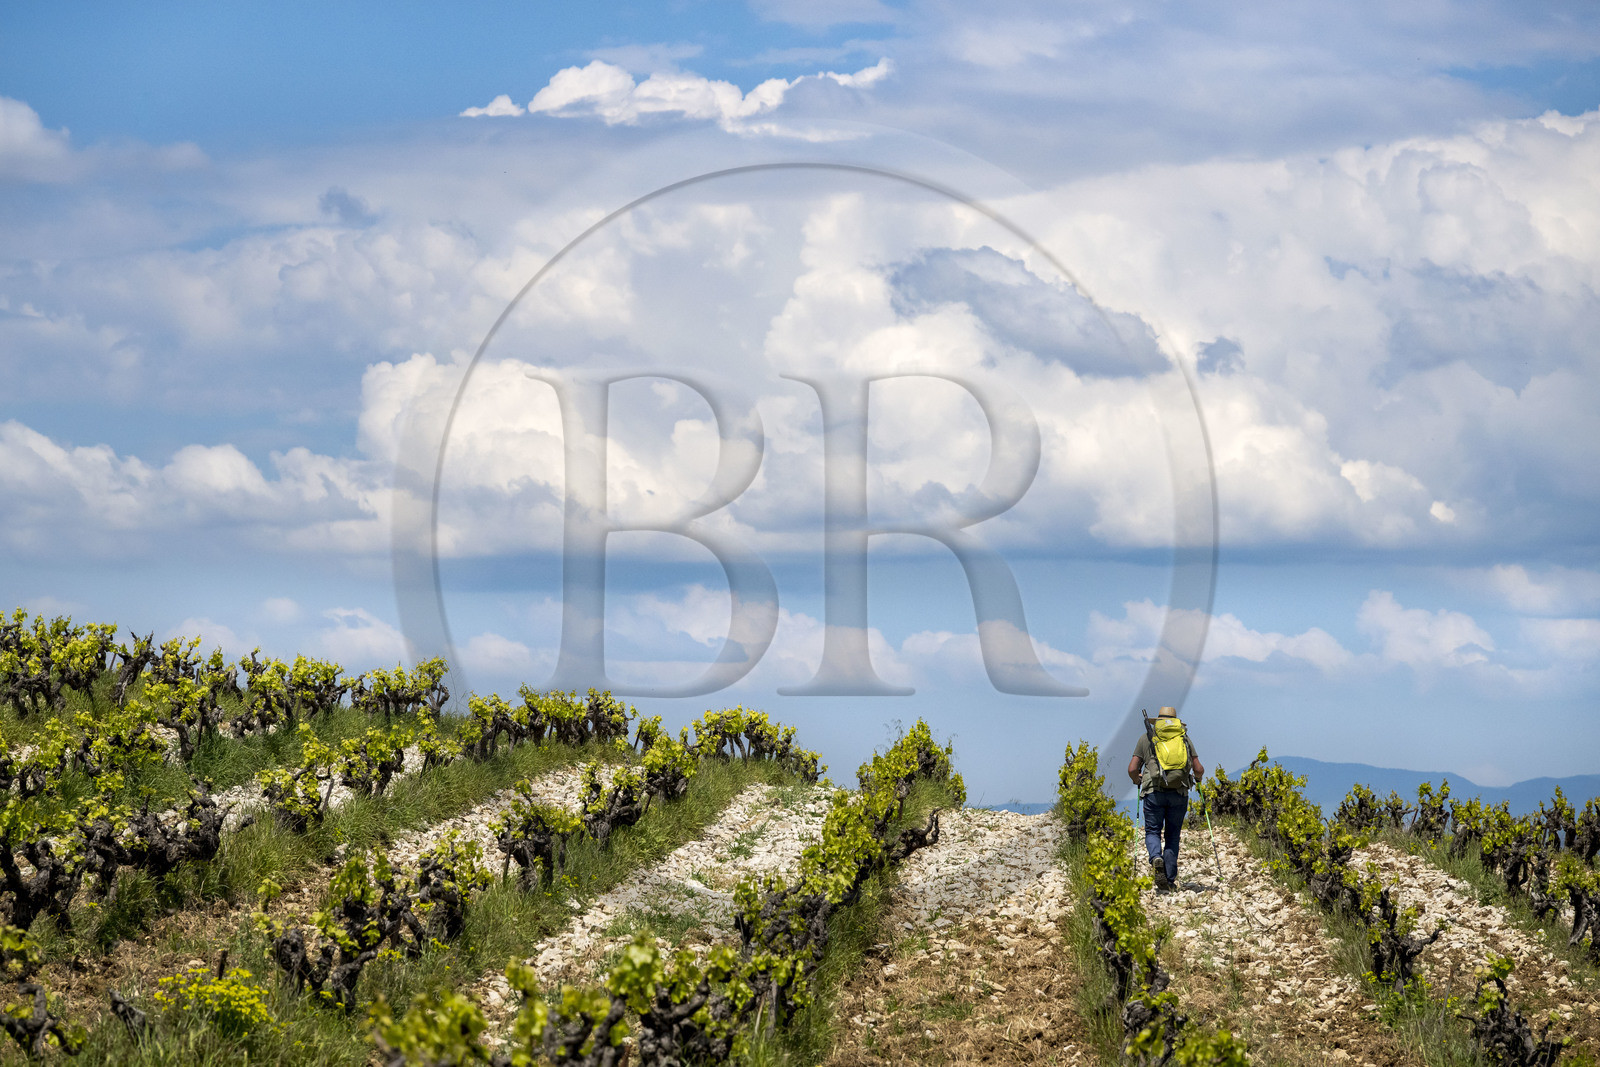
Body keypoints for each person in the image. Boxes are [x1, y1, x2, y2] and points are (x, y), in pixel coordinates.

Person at [1128, 705, 1204, 892]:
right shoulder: (1184, 738)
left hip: (1154, 791)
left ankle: (1155, 857)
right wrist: (1198, 780)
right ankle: (1169, 881)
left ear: (1157, 721)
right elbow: (1198, 768)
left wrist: (1137, 779)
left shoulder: (1146, 738)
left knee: (1153, 831)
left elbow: (1132, 768)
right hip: (1179, 792)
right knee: (1172, 836)